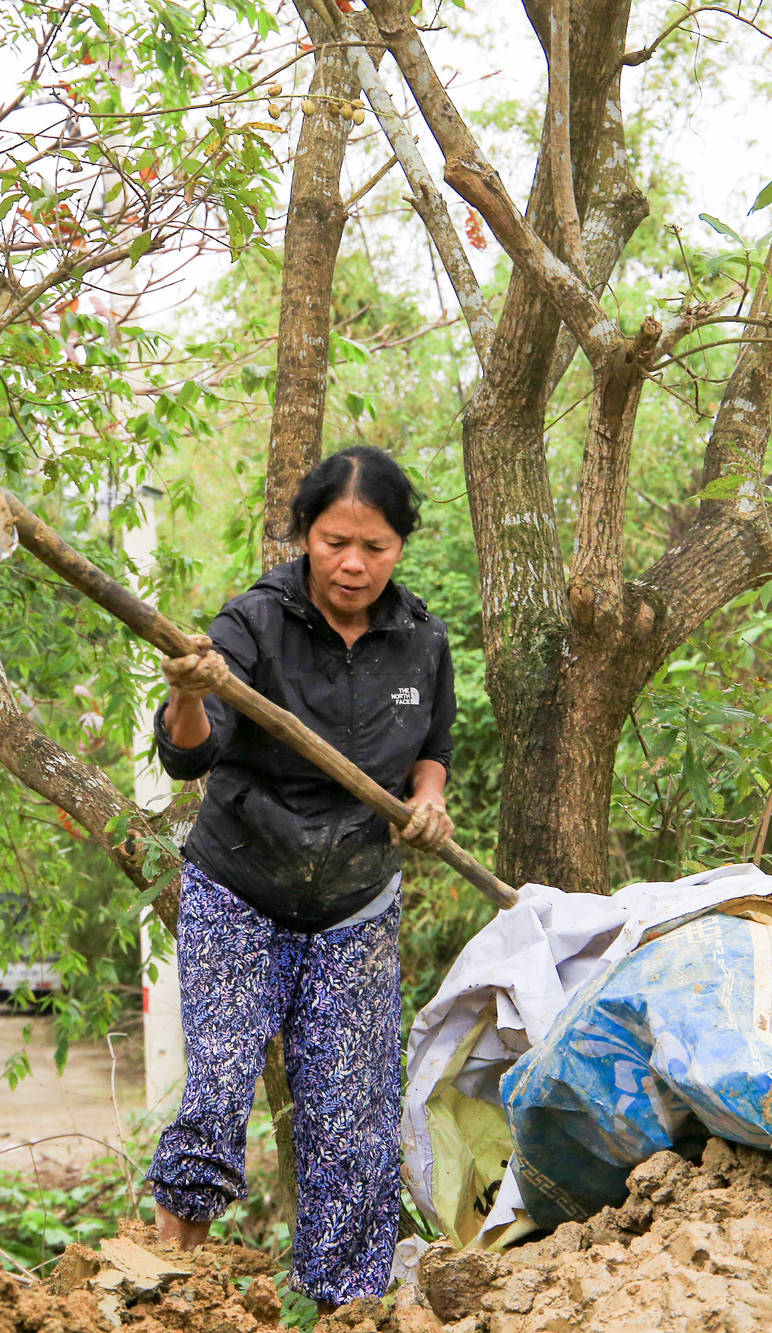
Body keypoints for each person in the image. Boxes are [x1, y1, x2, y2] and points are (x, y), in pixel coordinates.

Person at [145, 445, 456, 1307]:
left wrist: (428, 800)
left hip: (357, 902)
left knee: (354, 1125)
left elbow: (432, 751)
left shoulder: (423, 639)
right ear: (305, 535)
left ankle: (345, 1309)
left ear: (400, 546)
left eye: (375, 546)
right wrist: (188, 692)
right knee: (217, 1089)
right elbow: (189, 755)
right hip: (242, 888)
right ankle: (168, 1287)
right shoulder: (253, 623)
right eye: (333, 542)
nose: (353, 563)